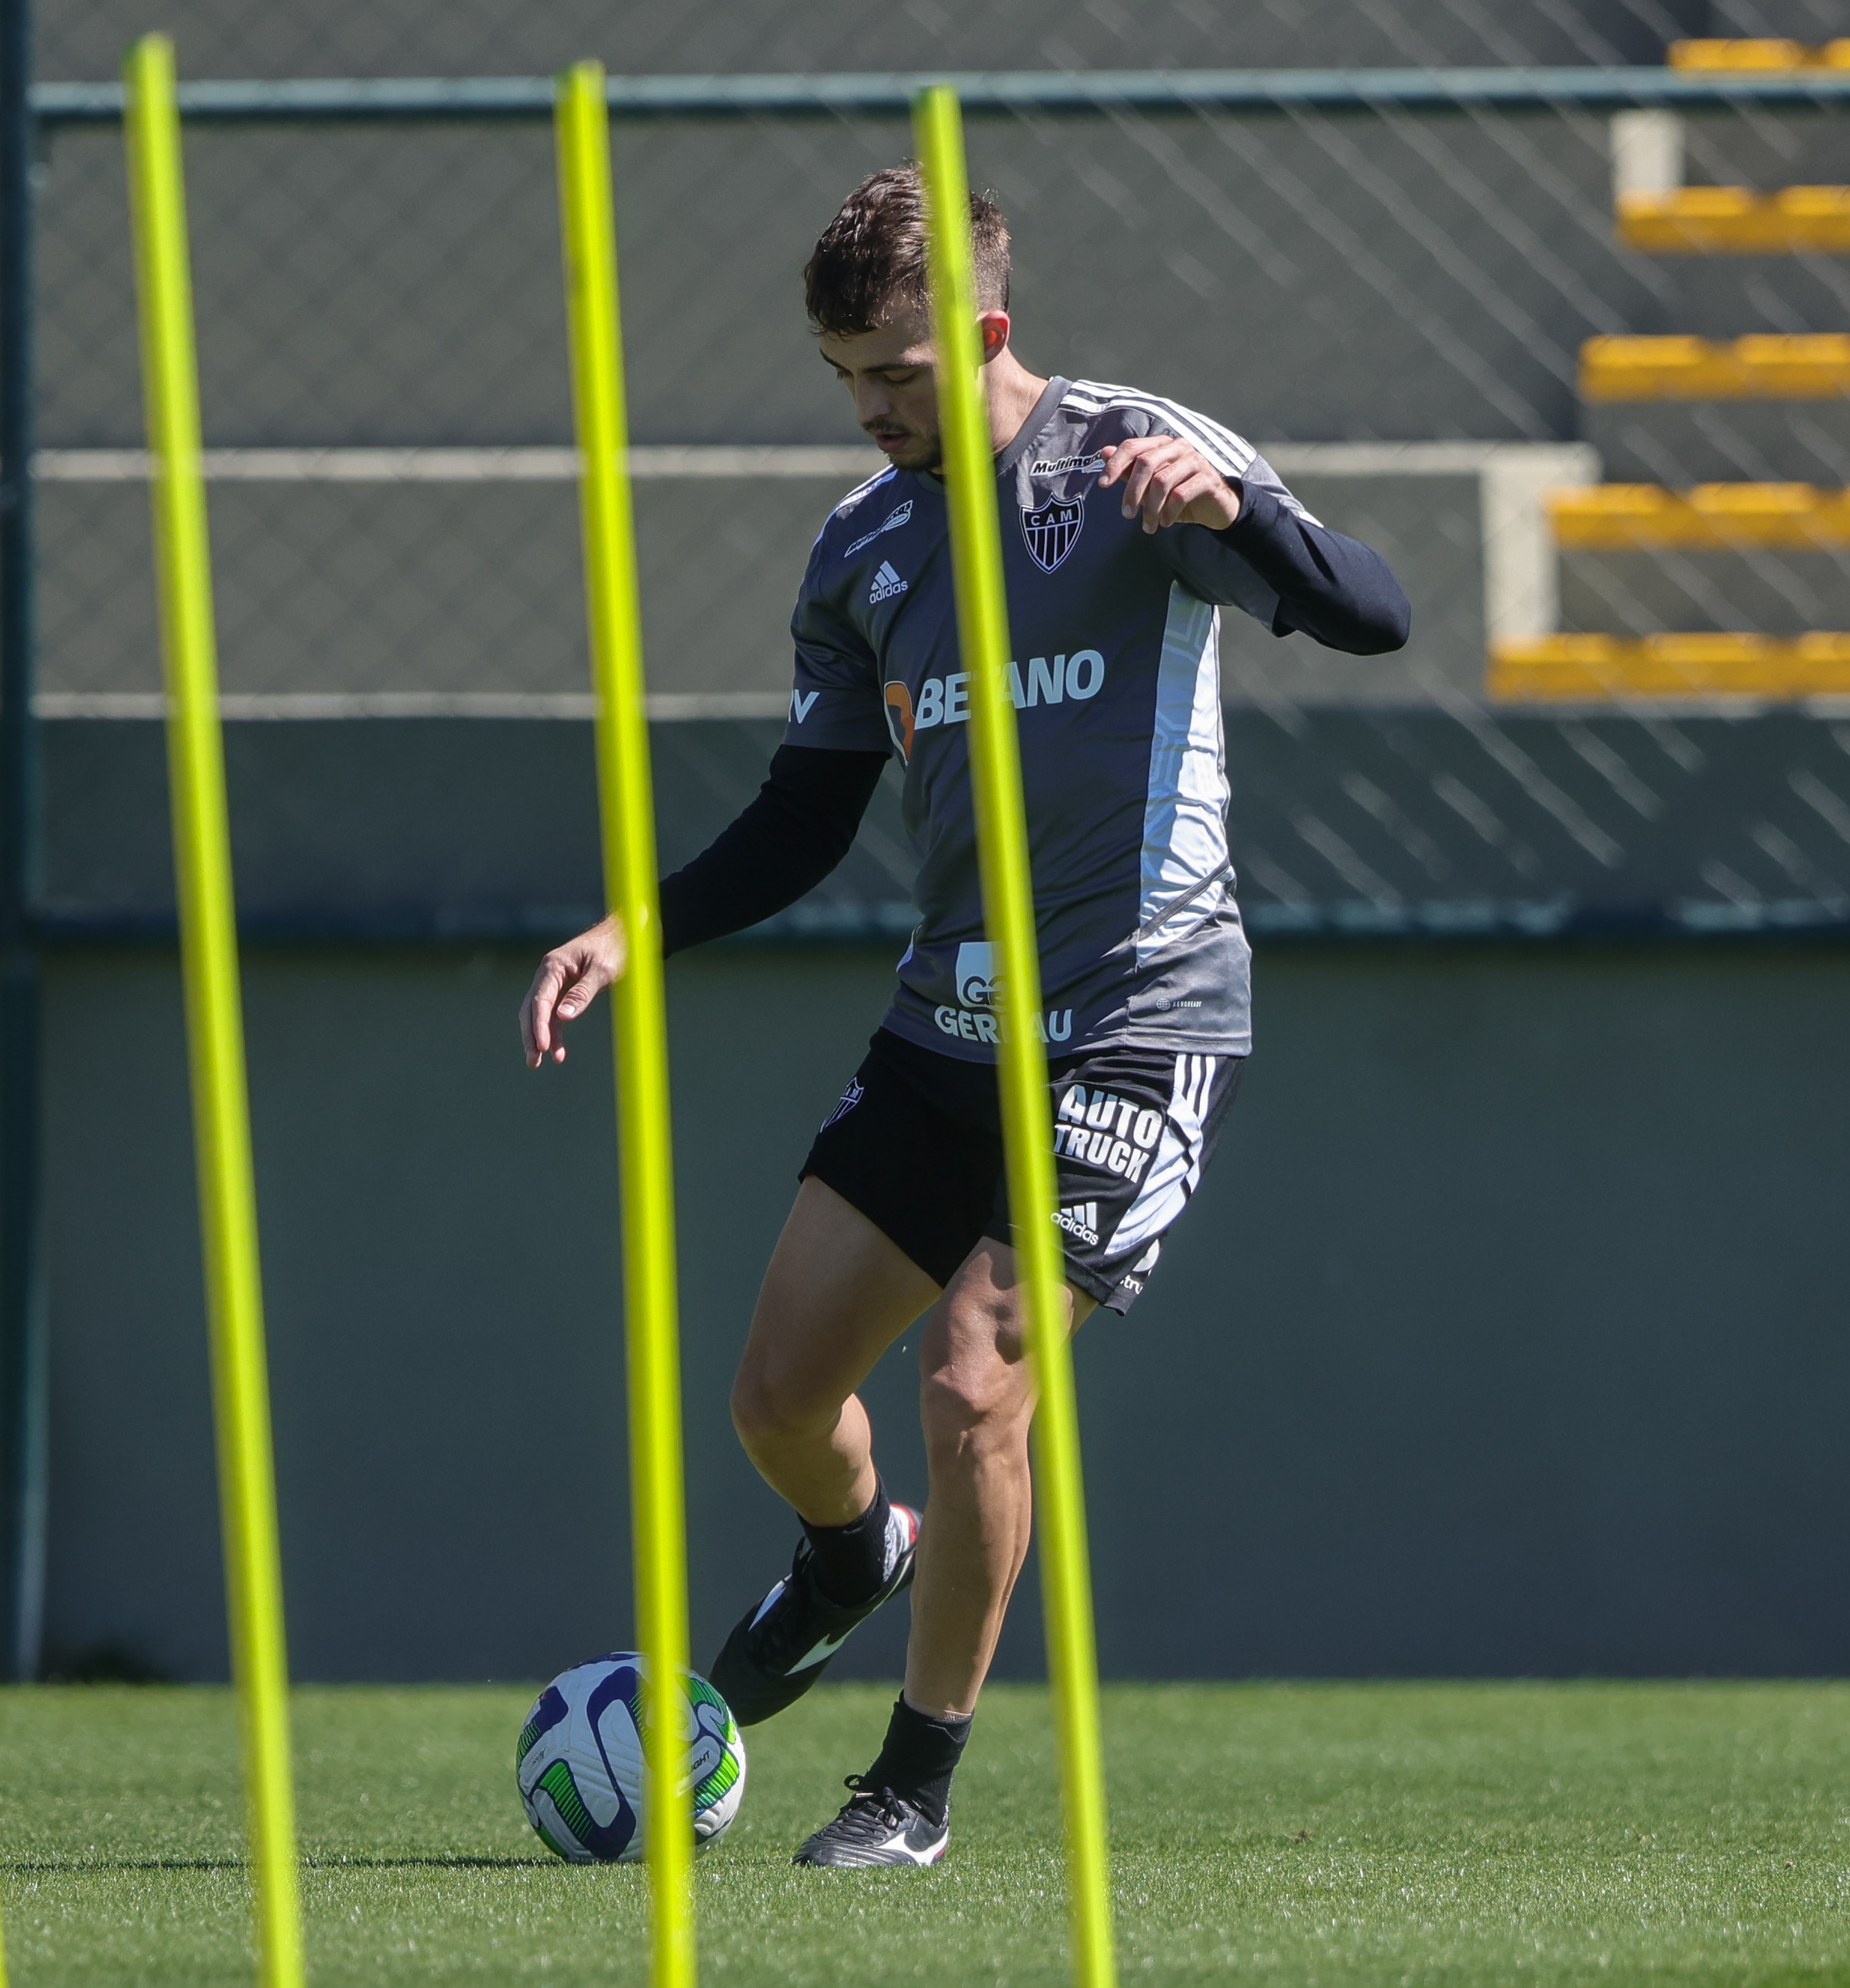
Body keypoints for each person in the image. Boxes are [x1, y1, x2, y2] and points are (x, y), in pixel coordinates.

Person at [518, 165, 1409, 1868]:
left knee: (975, 1377)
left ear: (986, 331)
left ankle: (908, 1787)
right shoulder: (862, 549)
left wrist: (1232, 514)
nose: (867, 410)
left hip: (1136, 1009)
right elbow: (803, 815)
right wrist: (635, 931)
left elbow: (1377, 611)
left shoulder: (1135, 459)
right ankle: (855, 1554)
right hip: (948, 1021)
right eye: (844, 374)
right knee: (778, 1396)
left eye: (897, 375)